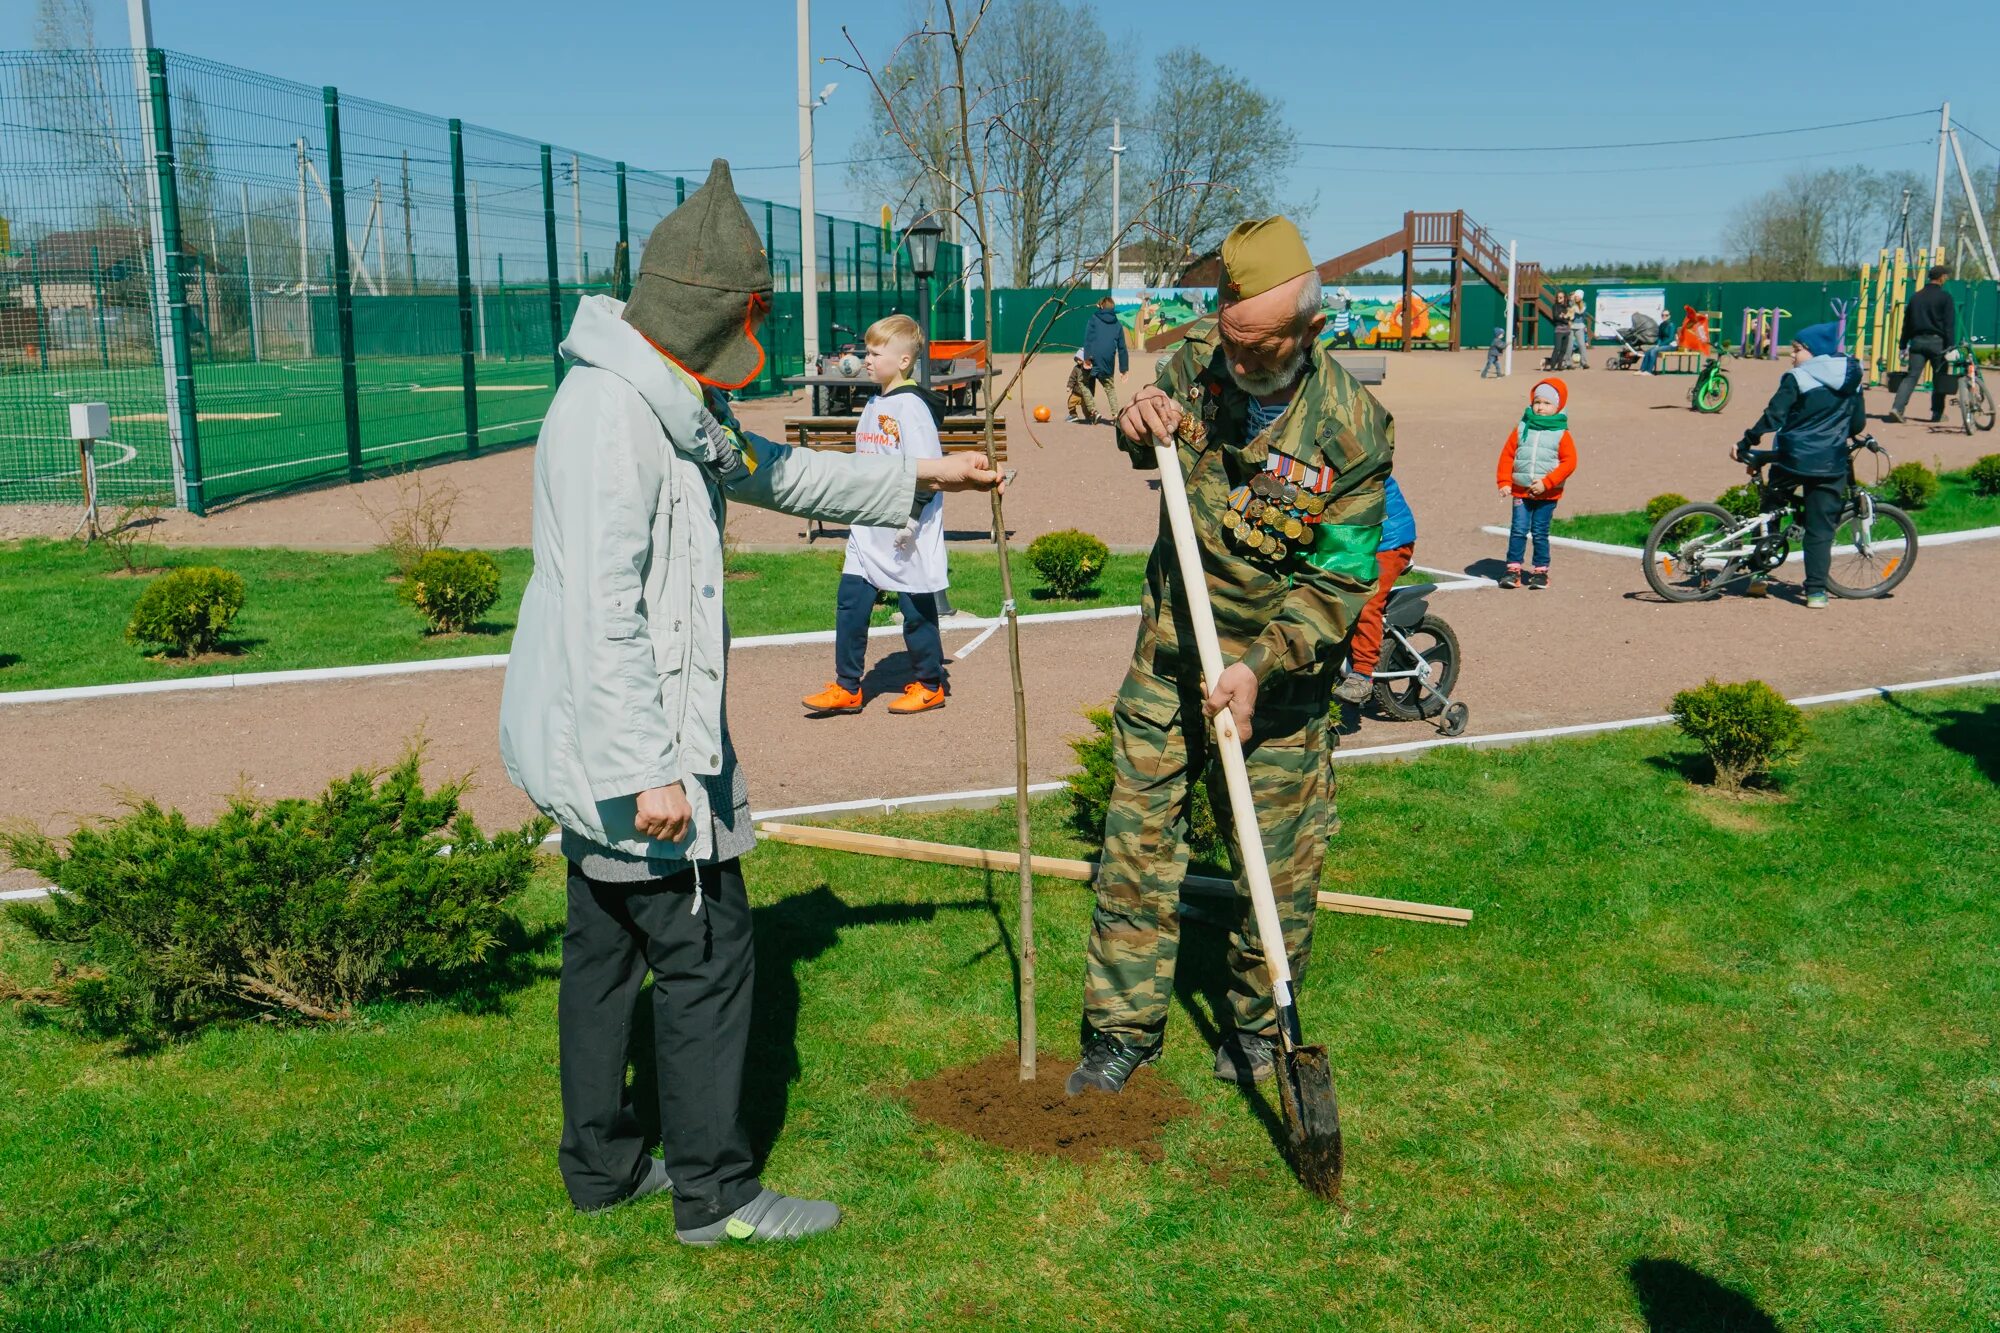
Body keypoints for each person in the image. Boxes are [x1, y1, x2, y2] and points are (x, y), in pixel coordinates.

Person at [497, 160, 1000, 1245]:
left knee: (600, 952)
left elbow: (771, 469)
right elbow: (602, 615)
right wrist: (650, 771)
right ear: (703, 313)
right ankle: (715, 1195)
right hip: (635, 748)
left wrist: (920, 482)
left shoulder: (662, 393)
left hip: (616, 745)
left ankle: (599, 1168)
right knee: (708, 954)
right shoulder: (610, 421)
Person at [1067, 215, 1393, 1095]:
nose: (1236, 360)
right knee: (1135, 841)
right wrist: (1140, 416)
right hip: (1171, 653)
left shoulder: (1353, 430)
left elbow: (1338, 583)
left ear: (1310, 331)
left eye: (1257, 348)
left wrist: (1257, 668)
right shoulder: (1203, 354)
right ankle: (1121, 1029)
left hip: (1277, 681)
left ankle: (1256, 1028)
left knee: (1274, 868)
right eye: (1230, 337)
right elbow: (1149, 438)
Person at [802, 314, 950, 717]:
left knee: (916, 606)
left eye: (874, 352)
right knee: (851, 601)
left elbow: (930, 468)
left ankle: (930, 684)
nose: (865, 359)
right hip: (869, 524)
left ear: (904, 361)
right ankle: (848, 687)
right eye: (866, 351)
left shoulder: (912, 408)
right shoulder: (874, 401)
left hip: (905, 525)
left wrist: (913, 517)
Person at [1738, 321, 1866, 609]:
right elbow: (1857, 423)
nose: (1792, 356)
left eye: (1796, 350)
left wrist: (1747, 441)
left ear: (1814, 351)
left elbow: (1774, 416)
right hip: (1831, 463)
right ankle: (1816, 593)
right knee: (1821, 529)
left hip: (1791, 458)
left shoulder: (1797, 378)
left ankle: (1759, 574)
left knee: (1770, 511)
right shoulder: (1853, 377)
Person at [1334, 473, 1416, 705]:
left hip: (1387, 540)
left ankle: (1362, 674)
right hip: (1353, 539)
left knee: (1367, 600)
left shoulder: (1356, 455)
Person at [1495, 377, 1578, 589]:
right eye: (1537, 402)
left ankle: (1540, 570)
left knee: (1540, 531)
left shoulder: (1561, 433)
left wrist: (1547, 483)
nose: (1541, 407)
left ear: (1558, 406)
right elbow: (1507, 455)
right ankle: (1513, 569)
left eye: (1547, 403)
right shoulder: (1522, 427)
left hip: (1547, 494)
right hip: (1521, 491)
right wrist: (1504, 481)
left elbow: (1569, 462)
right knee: (1518, 530)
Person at [1889, 265, 1956, 424]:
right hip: (1937, 343)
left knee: (1911, 376)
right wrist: (1951, 347)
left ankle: (1897, 408)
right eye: (1945, 276)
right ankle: (1937, 413)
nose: (1946, 278)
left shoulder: (1915, 297)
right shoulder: (1945, 297)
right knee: (1939, 378)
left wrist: (1903, 345)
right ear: (1941, 278)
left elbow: (1907, 324)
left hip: (1917, 342)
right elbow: (1949, 325)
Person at [1081, 294, 1130, 422]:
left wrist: (1086, 358)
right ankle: (1115, 416)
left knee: (1083, 382)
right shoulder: (1118, 324)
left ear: (1101, 306)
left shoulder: (1093, 319)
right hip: (1108, 361)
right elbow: (1122, 348)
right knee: (1109, 388)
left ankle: (1093, 411)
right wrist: (1124, 369)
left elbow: (1088, 339)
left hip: (1094, 359)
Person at [1639, 309, 1673, 375]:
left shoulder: (1671, 325)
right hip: (1662, 345)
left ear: (1669, 316)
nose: (1664, 316)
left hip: (1671, 346)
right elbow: (1659, 337)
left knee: (1653, 351)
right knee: (1648, 351)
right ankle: (1642, 370)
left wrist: (1660, 345)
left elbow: (1670, 339)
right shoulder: (1661, 325)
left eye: (1666, 315)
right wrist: (1658, 344)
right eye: (1662, 315)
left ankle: (1649, 371)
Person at [1548, 292, 1573, 371]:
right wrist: (1564, 318)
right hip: (1559, 330)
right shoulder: (1555, 306)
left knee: (1563, 349)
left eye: (1561, 297)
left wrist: (1564, 317)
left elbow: (1570, 317)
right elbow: (1556, 317)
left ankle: (1559, 366)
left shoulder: (1568, 307)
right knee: (1557, 348)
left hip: (1567, 330)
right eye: (1558, 297)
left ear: (1564, 298)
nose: (1559, 299)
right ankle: (1552, 366)